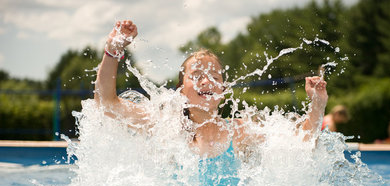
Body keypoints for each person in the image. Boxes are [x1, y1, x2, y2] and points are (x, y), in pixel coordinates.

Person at [95, 20, 329, 160]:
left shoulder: (240, 132)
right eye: (196, 76)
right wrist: (113, 50)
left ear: (224, 90)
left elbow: (302, 143)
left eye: (215, 76)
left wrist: (317, 105)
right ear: (181, 90)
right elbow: (106, 103)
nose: (207, 82)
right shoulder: (164, 126)